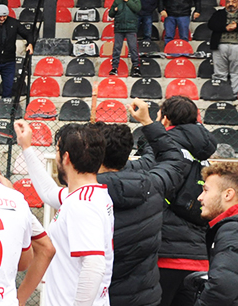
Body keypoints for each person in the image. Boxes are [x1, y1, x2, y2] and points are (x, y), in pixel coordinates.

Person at [88, 101, 190, 306]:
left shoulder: (79, 194)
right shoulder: (153, 185)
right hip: (144, 298)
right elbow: (173, 160)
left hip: (95, 297)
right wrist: (148, 122)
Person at [17, 120, 114, 306]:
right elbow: (49, 192)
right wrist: (27, 147)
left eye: (57, 151)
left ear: (66, 157)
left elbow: (94, 265)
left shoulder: (82, 203)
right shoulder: (89, 195)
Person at [150, 96, 217, 306]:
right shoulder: (204, 153)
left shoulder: (164, 148)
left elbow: (150, 193)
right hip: (200, 256)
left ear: (166, 119)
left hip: (165, 254)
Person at [194, 163, 238, 305]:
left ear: (228, 194)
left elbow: (222, 285)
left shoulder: (232, 230)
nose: (200, 197)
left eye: (206, 190)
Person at [109, 0, 142, 76]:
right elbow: (110, 14)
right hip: (119, 28)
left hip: (131, 28)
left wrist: (128, 1)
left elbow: (137, 9)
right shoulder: (117, 1)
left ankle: (136, 67)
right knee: (116, 49)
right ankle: (114, 68)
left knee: (133, 48)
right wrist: (114, 10)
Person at [209, 0, 238, 95]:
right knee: (219, 73)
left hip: (236, 46)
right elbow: (211, 25)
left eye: (234, 2)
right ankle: (221, 93)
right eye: (228, 2)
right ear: (225, 3)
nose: (231, 4)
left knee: (236, 72)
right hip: (220, 46)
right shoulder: (218, 13)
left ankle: (235, 94)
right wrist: (226, 27)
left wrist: (235, 27)